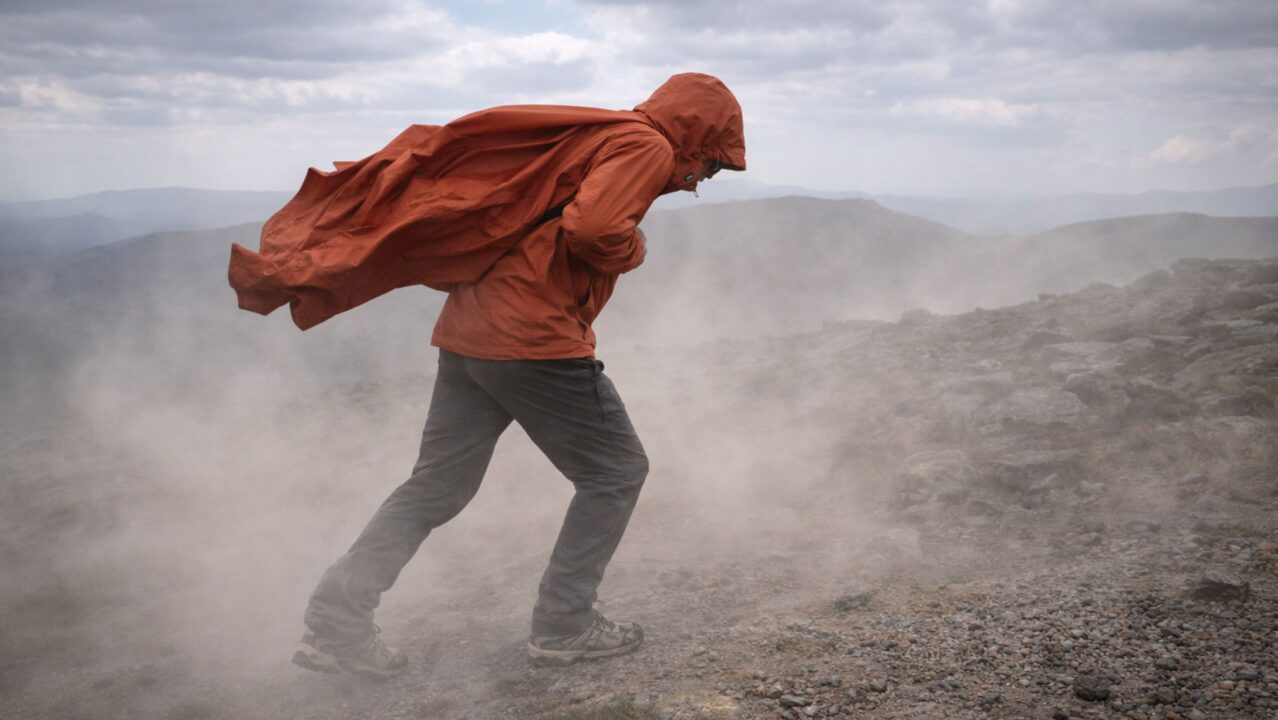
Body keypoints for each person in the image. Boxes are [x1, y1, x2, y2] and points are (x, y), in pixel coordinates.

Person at [240, 73, 744, 678]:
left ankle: (335, 627)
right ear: (699, 134)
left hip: (469, 333)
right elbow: (594, 230)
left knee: (435, 487)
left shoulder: (594, 136)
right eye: (711, 166)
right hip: (532, 340)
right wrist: (634, 249)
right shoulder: (646, 145)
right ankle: (565, 625)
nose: (699, 182)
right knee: (616, 472)